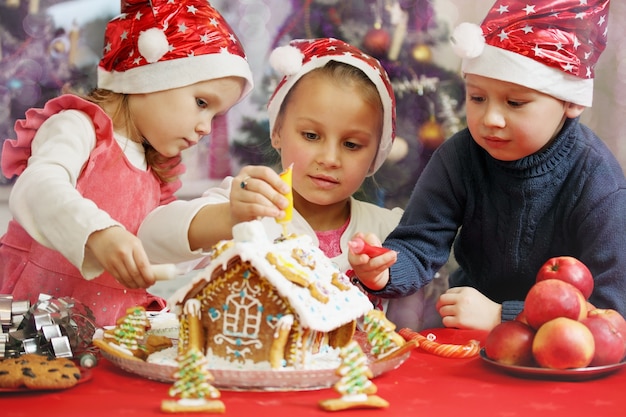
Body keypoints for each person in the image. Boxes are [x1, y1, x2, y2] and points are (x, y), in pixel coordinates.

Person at [348, 0, 626, 332]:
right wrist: (384, 271)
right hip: (468, 333)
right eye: (478, 98)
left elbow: (612, 308)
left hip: (566, 346)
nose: (490, 119)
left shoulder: (597, 179)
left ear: (571, 101)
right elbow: (419, 242)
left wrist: (502, 316)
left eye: (515, 102)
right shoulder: (460, 156)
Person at [0, 0, 254, 327]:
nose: (206, 127)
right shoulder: (78, 127)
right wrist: (97, 234)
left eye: (215, 115)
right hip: (30, 317)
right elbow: (38, 188)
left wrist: (226, 215)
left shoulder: (154, 170)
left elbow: (154, 238)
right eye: (201, 102)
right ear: (147, 80)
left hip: (106, 329)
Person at [138, 37, 405, 311]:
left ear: (376, 154)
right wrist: (230, 216)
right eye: (311, 135)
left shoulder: (392, 231)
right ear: (277, 132)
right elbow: (147, 242)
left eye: (351, 145)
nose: (329, 159)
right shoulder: (246, 206)